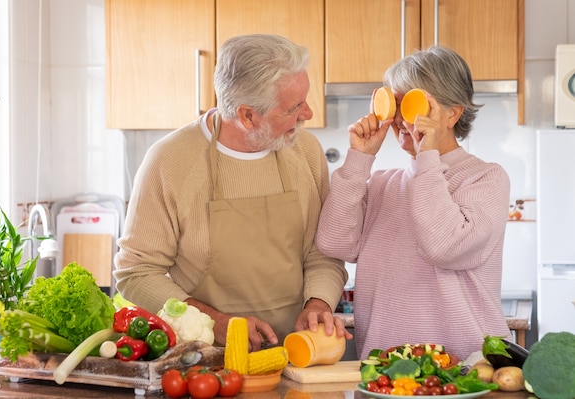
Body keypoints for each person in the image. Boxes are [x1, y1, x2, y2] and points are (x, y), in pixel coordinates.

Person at [114, 33, 351, 351]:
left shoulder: (305, 150)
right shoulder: (169, 161)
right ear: (247, 115)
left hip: (297, 353)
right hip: (203, 360)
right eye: (293, 107)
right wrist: (215, 322)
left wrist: (319, 303)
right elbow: (136, 271)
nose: (307, 114)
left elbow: (323, 252)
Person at [315, 46, 511, 361]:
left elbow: (445, 247)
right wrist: (359, 158)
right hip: (386, 369)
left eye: (415, 105)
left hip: (466, 370)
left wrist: (427, 157)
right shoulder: (381, 183)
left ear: (452, 113)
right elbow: (333, 242)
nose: (402, 121)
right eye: (396, 105)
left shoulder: (486, 179)